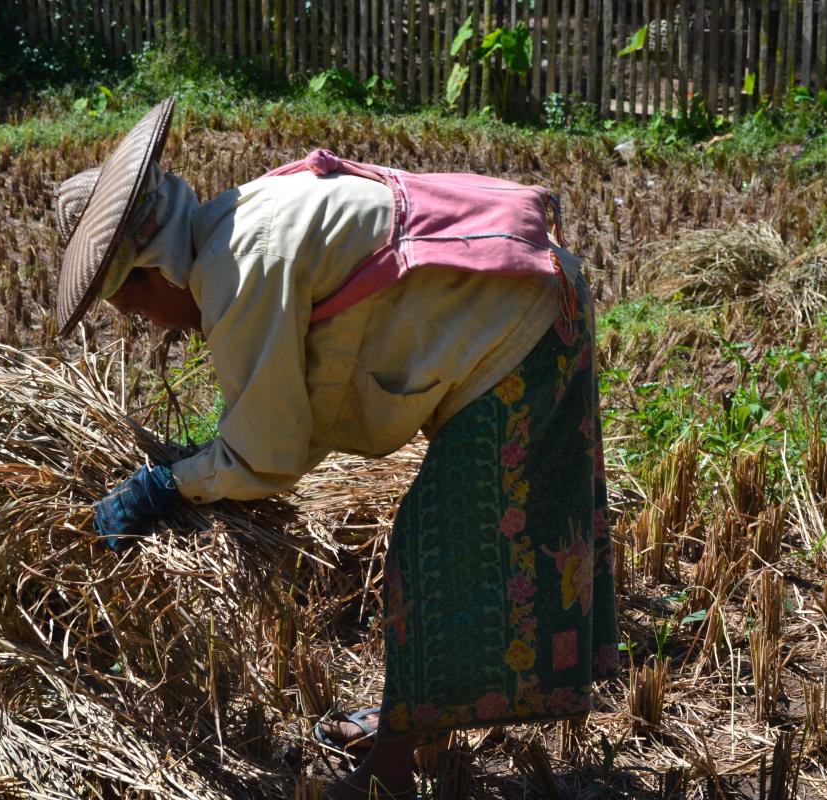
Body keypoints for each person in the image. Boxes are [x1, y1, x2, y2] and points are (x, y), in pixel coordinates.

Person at [53, 98, 619, 800]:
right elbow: (295, 408)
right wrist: (206, 462)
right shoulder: (236, 221)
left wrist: (165, 486)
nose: (153, 324)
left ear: (153, 271)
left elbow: (267, 455)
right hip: (523, 296)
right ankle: (416, 726)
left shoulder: (238, 268)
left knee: (436, 548)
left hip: (520, 327)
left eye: (137, 309)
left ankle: (390, 771)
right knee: (451, 542)